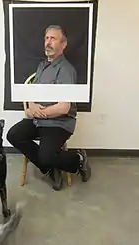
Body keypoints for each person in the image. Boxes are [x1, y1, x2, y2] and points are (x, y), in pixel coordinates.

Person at [6, 25, 91, 191]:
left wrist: (40, 113)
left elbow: (64, 107)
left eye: (53, 38)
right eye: (46, 38)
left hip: (59, 123)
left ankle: (79, 158)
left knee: (45, 157)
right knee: (13, 135)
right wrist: (31, 105)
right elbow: (32, 92)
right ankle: (50, 167)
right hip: (40, 120)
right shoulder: (41, 66)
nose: (48, 42)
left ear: (63, 44)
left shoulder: (66, 70)